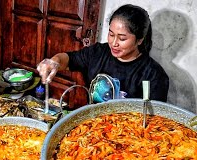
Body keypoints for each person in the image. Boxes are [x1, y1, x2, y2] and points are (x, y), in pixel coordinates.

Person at [37, 4, 169, 102]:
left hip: (128, 134)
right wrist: (54, 61)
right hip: (93, 126)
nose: (114, 43)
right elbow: (68, 59)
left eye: (122, 38)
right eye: (111, 35)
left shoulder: (154, 75)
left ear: (140, 40)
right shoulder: (98, 52)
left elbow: (155, 118)